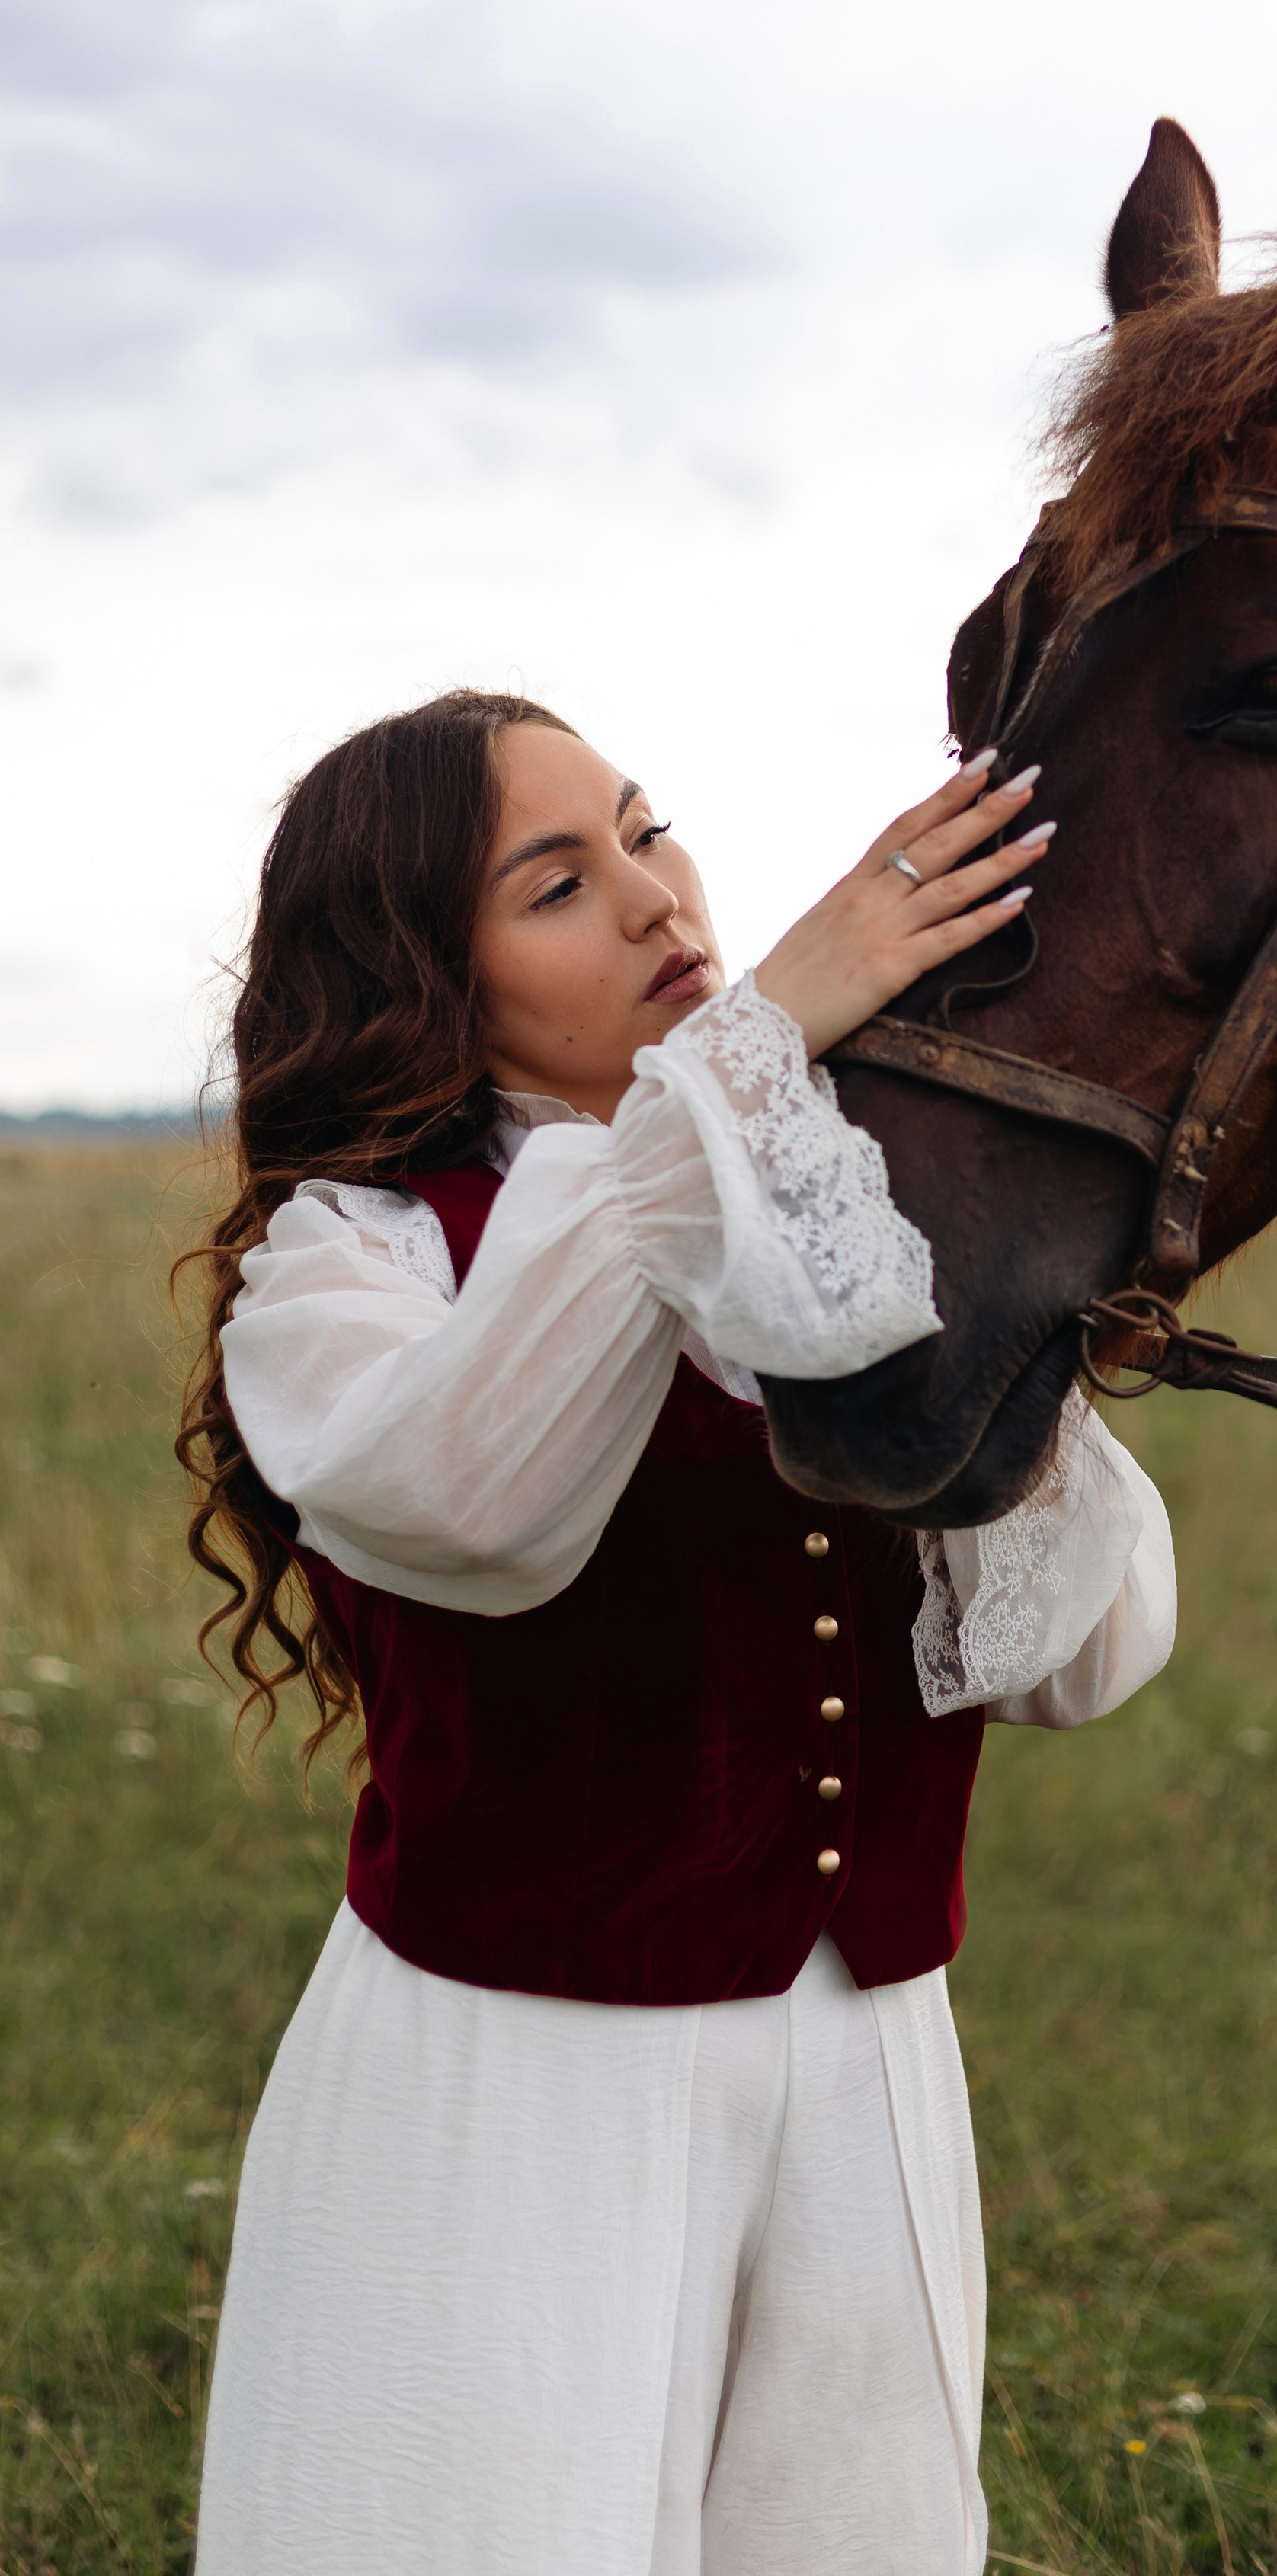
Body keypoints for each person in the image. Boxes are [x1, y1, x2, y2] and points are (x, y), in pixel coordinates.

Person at [178, 688, 1176, 2576]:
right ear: (424, 977)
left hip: (868, 2055)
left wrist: (968, 1282)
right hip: (522, 2087)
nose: (654, 901)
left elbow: (1086, 1654)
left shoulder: (839, 1219)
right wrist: (745, 1061)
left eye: (649, 832)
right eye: (557, 883)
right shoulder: (360, 1261)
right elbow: (470, 1501)